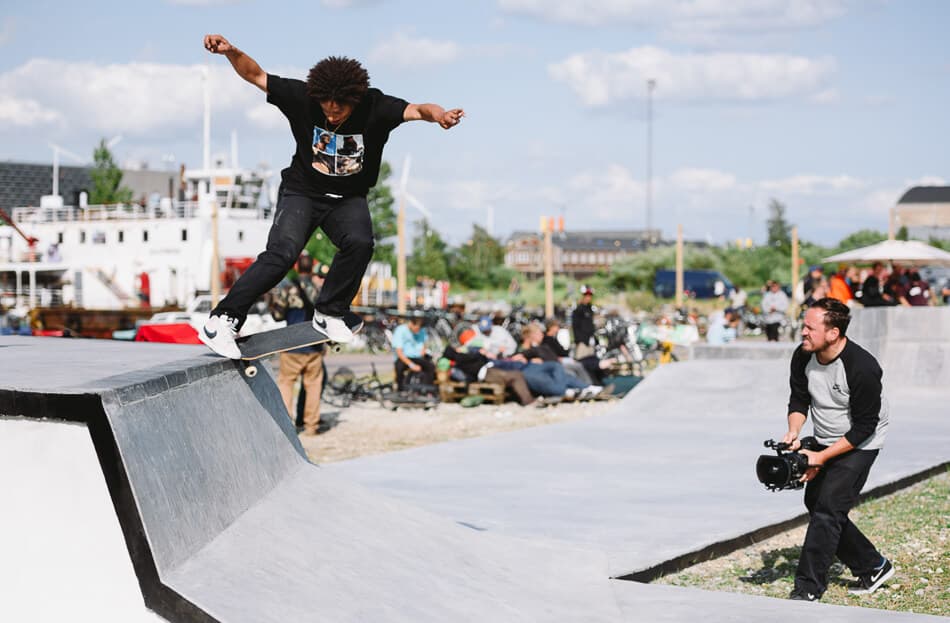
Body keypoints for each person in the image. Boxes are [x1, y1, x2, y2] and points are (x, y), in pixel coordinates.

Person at [198, 34, 464, 358]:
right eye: (327, 106)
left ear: (356, 99)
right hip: (302, 193)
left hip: (348, 199)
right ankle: (224, 319)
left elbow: (418, 109)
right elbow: (256, 75)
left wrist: (439, 116)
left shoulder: (375, 106)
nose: (333, 113)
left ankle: (329, 311)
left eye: (341, 107)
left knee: (361, 243)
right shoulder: (303, 98)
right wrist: (232, 52)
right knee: (281, 254)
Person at [780, 298, 892, 602]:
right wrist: (794, 433)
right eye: (803, 325)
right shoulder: (804, 356)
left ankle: (807, 589)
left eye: (809, 327)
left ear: (833, 333)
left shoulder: (862, 367)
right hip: (825, 436)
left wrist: (820, 457)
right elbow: (799, 399)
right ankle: (873, 565)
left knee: (828, 509)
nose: (802, 332)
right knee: (816, 502)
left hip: (861, 443)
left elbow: (864, 427)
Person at [270, 254, 325, 436]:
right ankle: (311, 426)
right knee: (313, 386)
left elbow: (277, 315)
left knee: (286, 383)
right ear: (311, 269)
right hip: (314, 345)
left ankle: (287, 423)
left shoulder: (288, 288)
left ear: (296, 267)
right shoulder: (319, 291)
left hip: (291, 344)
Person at [392, 316, 435, 390]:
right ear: (411, 324)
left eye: (419, 328)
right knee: (399, 367)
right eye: (417, 328)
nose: (418, 330)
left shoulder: (421, 330)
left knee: (430, 366)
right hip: (404, 358)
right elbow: (399, 352)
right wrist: (412, 365)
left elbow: (424, 344)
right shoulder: (400, 330)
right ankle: (400, 389)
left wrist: (424, 350)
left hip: (417, 357)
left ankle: (425, 389)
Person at [572, 285, 596, 359]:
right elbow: (575, 326)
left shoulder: (590, 309)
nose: (588, 298)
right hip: (582, 341)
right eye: (586, 295)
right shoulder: (578, 310)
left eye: (589, 296)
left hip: (590, 340)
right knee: (581, 361)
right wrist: (579, 340)